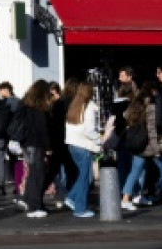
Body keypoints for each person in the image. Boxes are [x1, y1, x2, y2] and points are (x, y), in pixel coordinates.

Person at [120, 83, 162, 212]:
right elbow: (152, 130)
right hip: (150, 146)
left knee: (134, 171)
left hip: (138, 146)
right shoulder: (150, 107)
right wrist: (156, 149)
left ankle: (125, 198)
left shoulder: (134, 106)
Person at [15, 82, 52, 218]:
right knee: (38, 174)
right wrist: (48, 147)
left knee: (33, 173)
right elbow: (42, 130)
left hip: (26, 143)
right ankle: (34, 206)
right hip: (36, 144)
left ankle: (30, 201)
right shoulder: (38, 109)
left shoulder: (25, 104)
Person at [63, 81, 100, 218]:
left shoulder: (74, 106)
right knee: (85, 179)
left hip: (72, 145)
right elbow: (89, 130)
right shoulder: (89, 107)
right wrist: (99, 140)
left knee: (82, 176)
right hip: (84, 146)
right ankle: (80, 209)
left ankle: (72, 197)